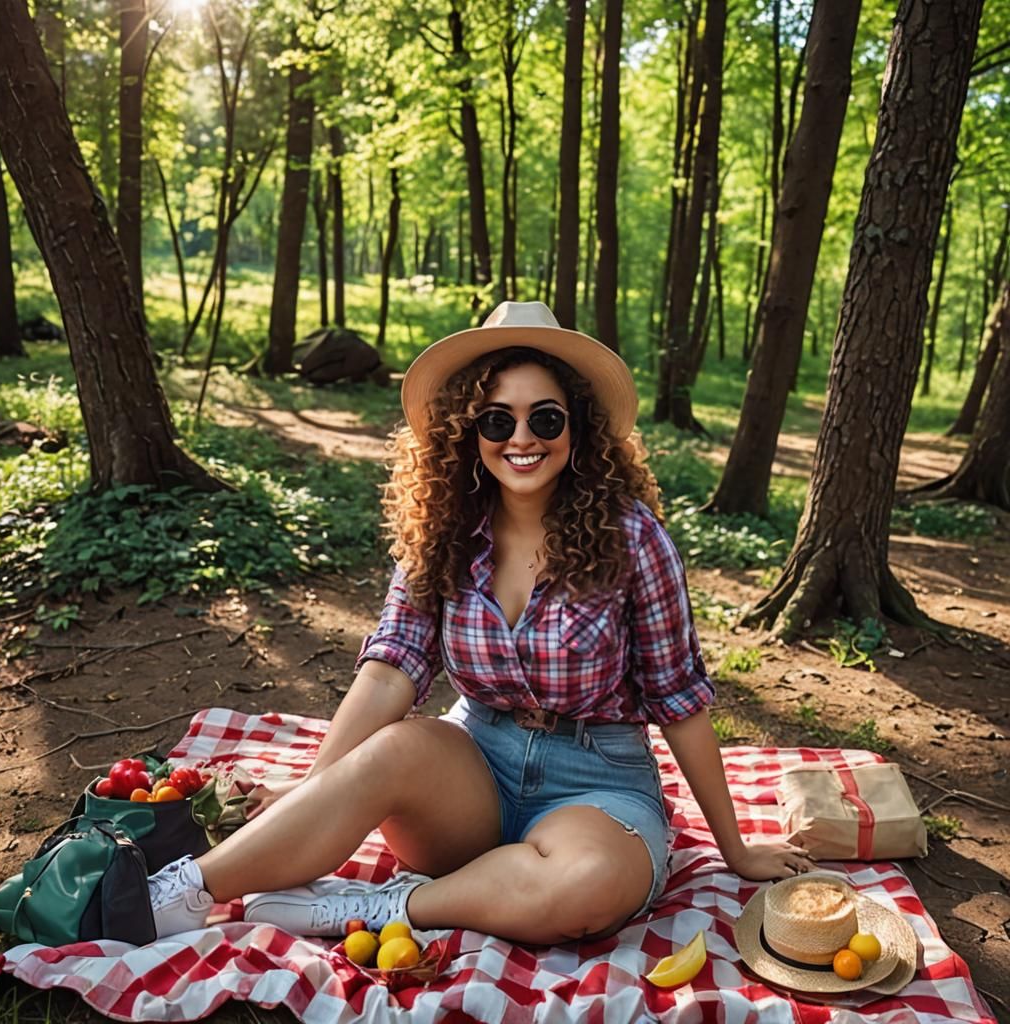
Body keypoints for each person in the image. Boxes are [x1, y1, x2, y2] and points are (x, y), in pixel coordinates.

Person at [147, 301, 814, 943]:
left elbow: (679, 700)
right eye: (497, 422)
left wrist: (735, 849)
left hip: (597, 780)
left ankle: (375, 907)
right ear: (469, 432)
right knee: (396, 748)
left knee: (588, 887)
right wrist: (321, 788)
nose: (521, 439)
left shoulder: (632, 538)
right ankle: (173, 893)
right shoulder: (445, 530)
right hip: (471, 773)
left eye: (544, 419)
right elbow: (389, 673)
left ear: (576, 427)